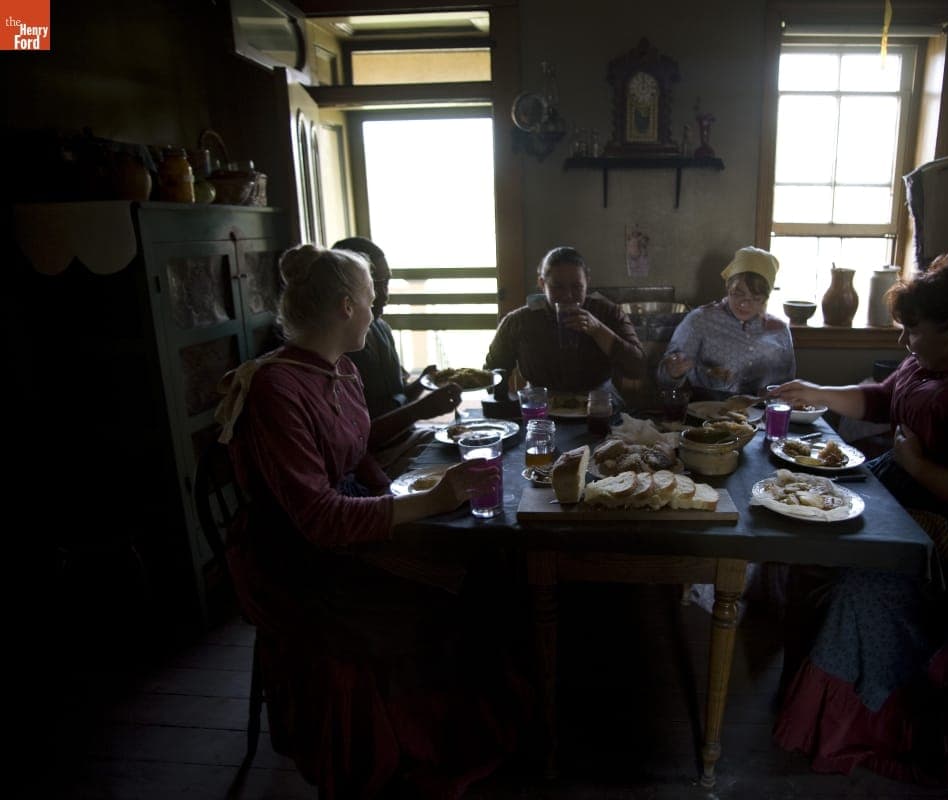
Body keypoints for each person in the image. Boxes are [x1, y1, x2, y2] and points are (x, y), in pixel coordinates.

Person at [214, 244, 527, 799]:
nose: (375, 309)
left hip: (344, 523)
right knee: (458, 590)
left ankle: (496, 720)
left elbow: (356, 448)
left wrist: (404, 500)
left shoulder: (341, 369)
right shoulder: (275, 389)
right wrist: (427, 505)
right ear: (345, 306)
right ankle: (426, 745)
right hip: (297, 559)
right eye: (370, 299)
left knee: (483, 562)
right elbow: (318, 519)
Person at [768, 255, 948, 786]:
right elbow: (884, 400)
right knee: (810, 533)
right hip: (911, 498)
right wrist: (818, 393)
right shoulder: (931, 362)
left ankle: (854, 723)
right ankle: (799, 679)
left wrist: (916, 466)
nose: (905, 342)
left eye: (914, 331)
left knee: (857, 584)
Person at [332, 236, 461, 477]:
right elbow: (356, 442)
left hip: (406, 440)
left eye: (387, 283)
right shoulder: (339, 351)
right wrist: (418, 411)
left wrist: (421, 385)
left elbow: (395, 399)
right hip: (374, 460)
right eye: (375, 285)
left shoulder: (380, 328)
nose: (384, 295)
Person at [484, 245, 645, 396]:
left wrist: (598, 330)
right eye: (557, 287)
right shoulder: (519, 321)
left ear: (587, 281)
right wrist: (506, 405)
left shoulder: (608, 313)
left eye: (577, 287)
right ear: (542, 284)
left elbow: (638, 369)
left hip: (598, 404)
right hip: (541, 406)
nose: (568, 296)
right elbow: (492, 372)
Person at [657, 246, 795, 399]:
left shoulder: (779, 330)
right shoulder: (700, 320)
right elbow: (664, 380)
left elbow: (788, 386)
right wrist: (673, 372)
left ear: (766, 298)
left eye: (756, 298)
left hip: (763, 410)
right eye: (738, 294)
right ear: (728, 286)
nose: (744, 304)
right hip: (708, 409)